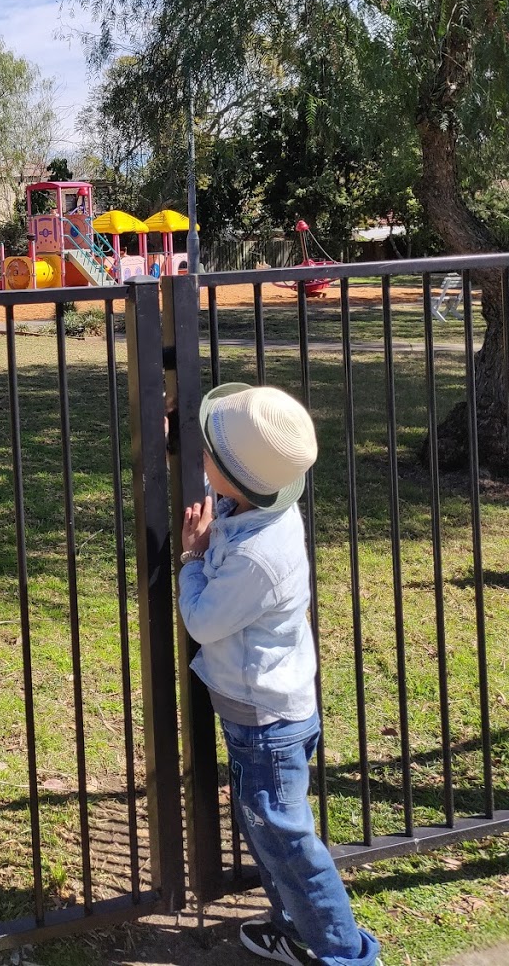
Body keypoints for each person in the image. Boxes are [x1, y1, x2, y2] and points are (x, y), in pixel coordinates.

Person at [177, 382, 382, 966]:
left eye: (206, 451)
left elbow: (202, 620)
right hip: (271, 711)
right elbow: (230, 483)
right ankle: (297, 931)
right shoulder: (258, 509)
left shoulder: (256, 558)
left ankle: (345, 955)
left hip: (266, 723)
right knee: (269, 832)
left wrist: (193, 557)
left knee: (287, 841)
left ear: (231, 478)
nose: (200, 456)